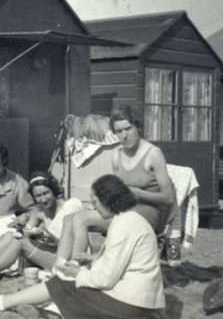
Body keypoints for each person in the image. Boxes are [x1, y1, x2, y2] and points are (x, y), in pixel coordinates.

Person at [0, 174, 165, 319]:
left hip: (131, 306)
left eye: (95, 201)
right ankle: (45, 307)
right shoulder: (131, 219)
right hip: (143, 303)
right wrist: (93, 261)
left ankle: (2, 302)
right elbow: (125, 263)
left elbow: (106, 279)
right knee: (70, 278)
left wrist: (77, 273)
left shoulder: (123, 225)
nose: (94, 207)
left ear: (109, 200)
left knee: (64, 283)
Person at [55, 106, 175, 261]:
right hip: (123, 210)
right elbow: (117, 192)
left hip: (146, 214)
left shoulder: (153, 154)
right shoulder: (117, 155)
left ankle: (76, 267)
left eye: (128, 129)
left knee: (81, 219)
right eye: (119, 131)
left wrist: (139, 194)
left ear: (137, 127)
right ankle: (60, 267)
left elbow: (169, 198)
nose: (124, 135)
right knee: (69, 218)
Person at [0, 172, 83, 283]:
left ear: (54, 191)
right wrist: (26, 230)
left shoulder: (69, 208)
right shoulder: (41, 211)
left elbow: (71, 243)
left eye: (46, 193)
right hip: (49, 252)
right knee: (11, 236)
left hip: (65, 260)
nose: (43, 199)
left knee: (21, 243)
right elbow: (28, 230)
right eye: (38, 196)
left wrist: (50, 238)